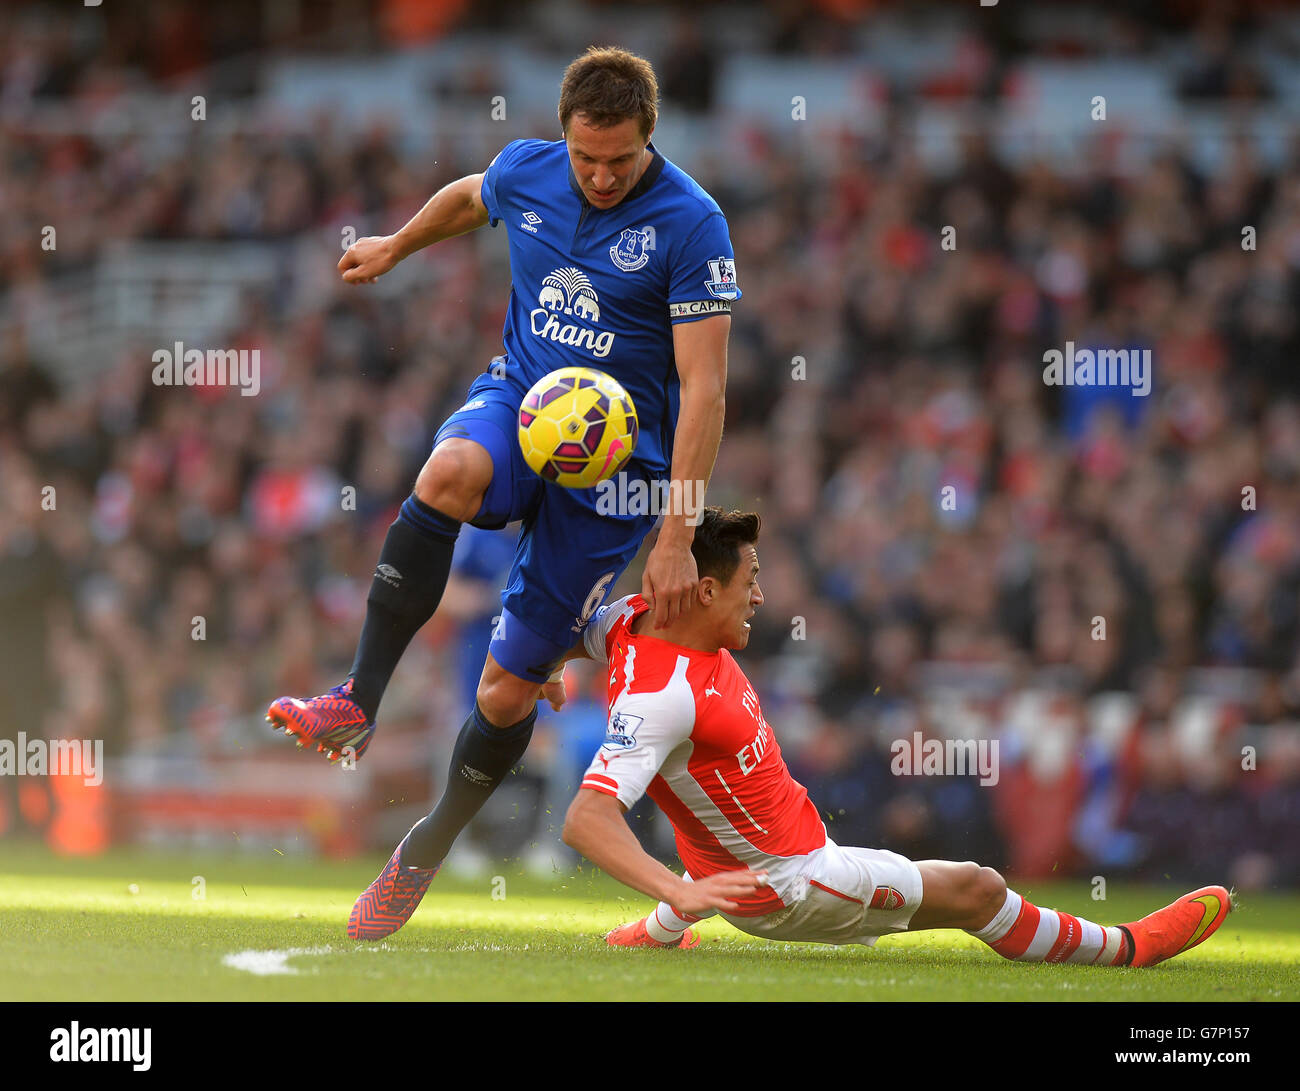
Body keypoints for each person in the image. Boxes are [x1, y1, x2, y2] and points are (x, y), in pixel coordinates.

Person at [263, 47, 741, 940]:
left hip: (621, 473)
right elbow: (469, 194)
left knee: (504, 697)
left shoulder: (692, 223)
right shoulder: (530, 169)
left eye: (620, 160)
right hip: (525, 405)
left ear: (650, 139)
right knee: (443, 472)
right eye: (585, 157)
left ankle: (424, 848)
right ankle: (358, 698)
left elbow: (705, 390)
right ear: (563, 135)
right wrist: (397, 245)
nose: (599, 176)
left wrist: (676, 531)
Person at [555, 507, 1231, 968]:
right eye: (750, 582)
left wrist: (543, 671)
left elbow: (553, 631)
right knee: (979, 887)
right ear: (704, 591)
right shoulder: (664, 694)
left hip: (740, 865)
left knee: (725, 815)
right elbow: (587, 818)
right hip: (795, 884)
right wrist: (673, 890)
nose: (759, 597)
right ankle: (1128, 946)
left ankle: (661, 932)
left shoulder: (628, 622)